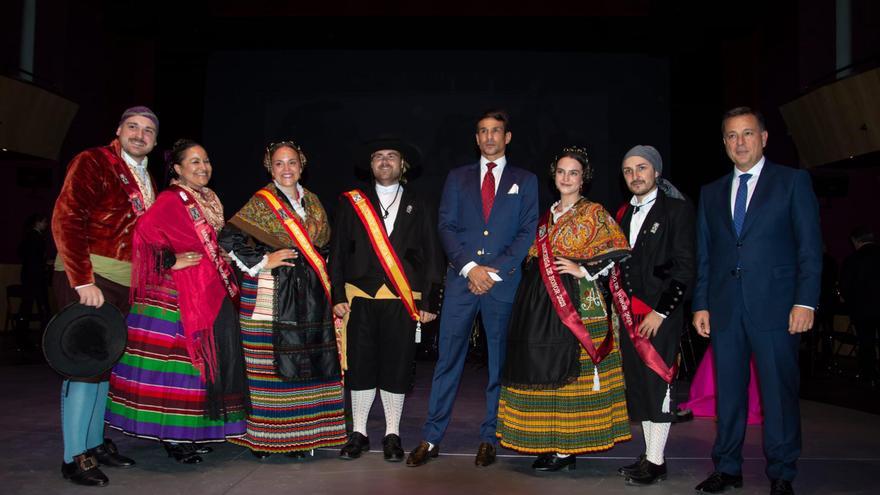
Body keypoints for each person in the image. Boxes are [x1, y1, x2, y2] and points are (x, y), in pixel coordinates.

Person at [692, 107, 822, 495]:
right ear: (725, 143)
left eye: (748, 134)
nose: (740, 142)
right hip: (726, 308)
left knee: (778, 396)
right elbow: (706, 253)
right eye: (732, 136)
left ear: (764, 138)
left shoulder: (792, 182)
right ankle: (727, 467)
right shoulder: (711, 192)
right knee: (728, 395)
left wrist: (806, 302)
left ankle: (782, 473)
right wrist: (701, 303)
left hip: (778, 308)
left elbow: (810, 249)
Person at [407, 109, 539, 468]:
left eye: (496, 131)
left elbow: (528, 231)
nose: (490, 137)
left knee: (499, 366)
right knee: (447, 362)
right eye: (483, 131)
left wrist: (492, 273)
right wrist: (470, 268)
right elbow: (446, 226)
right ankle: (432, 437)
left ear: (507, 137)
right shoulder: (457, 177)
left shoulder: (525, 180)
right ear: (476, 138)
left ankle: (489, 437)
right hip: (462, 282)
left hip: (502, 285)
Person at [106, 139, 248, 463]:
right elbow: (142, 233)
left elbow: (208, 243)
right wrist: (170, 260)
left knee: (200, 370)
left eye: (206, 160)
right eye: (194, 162)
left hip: (207, 287)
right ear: (178, 169)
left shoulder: (209, 199)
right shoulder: (172, 198)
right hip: (177, 295)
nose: (203, 167)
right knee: (178, 366)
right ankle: (172, 436)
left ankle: (189, 433)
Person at [496, 146, 631, 471]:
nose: (566, 178)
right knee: (544, 367)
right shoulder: (546, 216)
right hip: (539, 304)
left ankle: (568, 447)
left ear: (583, 178)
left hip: (578, 304)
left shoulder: (594, 212)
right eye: (561, 172)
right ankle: (550, 441)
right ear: (554, 176)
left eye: (574, 173)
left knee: (574, 375)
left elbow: (619, 250)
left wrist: (583, 269)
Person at [51, 106, 158, 486]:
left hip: (122, 283)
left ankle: (94, 444)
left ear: (154, 140)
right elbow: (67, 218)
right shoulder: (94, 161)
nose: (139, 134)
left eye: (147, 130)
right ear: (118, 129)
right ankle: (73, 456)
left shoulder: (145, 177)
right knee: (83, 367)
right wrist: (82, 280)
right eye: (133, 126)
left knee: (103, 366)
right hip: (90, 276)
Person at [220, 140, 346, 458]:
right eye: (279, 163)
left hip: (311, 297)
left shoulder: (314, 202)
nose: (286, 169)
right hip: (271, 296)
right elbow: (228, 237)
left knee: (305, 364)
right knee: (268, 368)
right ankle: (266, 440)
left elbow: (325, 247)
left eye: (291, 162)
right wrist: (266, 260)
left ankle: (300, 438)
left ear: (301, 166)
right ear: (270, 168)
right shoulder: (262, 202)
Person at [330, 137, 444, 462]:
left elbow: (433, 256)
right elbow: (337, 253)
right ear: (370, 164)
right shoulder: (351, 203)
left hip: (403, 297)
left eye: (391, 156)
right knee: (360, 366)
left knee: (396, 366)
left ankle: (392, 434)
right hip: (358, 297)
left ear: (402, 164)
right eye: (378, 156)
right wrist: (337, 294)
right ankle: (360, 433)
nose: (384, 161)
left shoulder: (419, 204)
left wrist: (430, 303)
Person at [612, 145, 695, 485]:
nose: (635, 175)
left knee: (658, 384)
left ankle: (657, 460)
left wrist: (660, 313)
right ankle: (649, 456)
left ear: (656, 172)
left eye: (642, 168)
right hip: (630, 316)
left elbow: (686, 269)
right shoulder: (622, 214)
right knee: (641, 388)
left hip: (659, 316)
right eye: (629, 170)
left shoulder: (677, 210)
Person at [839, 226, 880, 387]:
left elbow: (845, 286)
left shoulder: (852, 260)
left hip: (862, 309)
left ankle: (868, 376)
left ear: (855, 241)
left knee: (866, 343)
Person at [15, 213, 51, 350]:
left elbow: (20, 254)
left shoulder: (27, 236)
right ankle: (45, 340)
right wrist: (44, 263)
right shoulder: (36, 237)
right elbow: (36, 258)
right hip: (36, 277)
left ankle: (21, 339)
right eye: (44, 221)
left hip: (28, 276)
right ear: (37, 222)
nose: (46, 224)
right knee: (42, 308)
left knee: (26, 307)